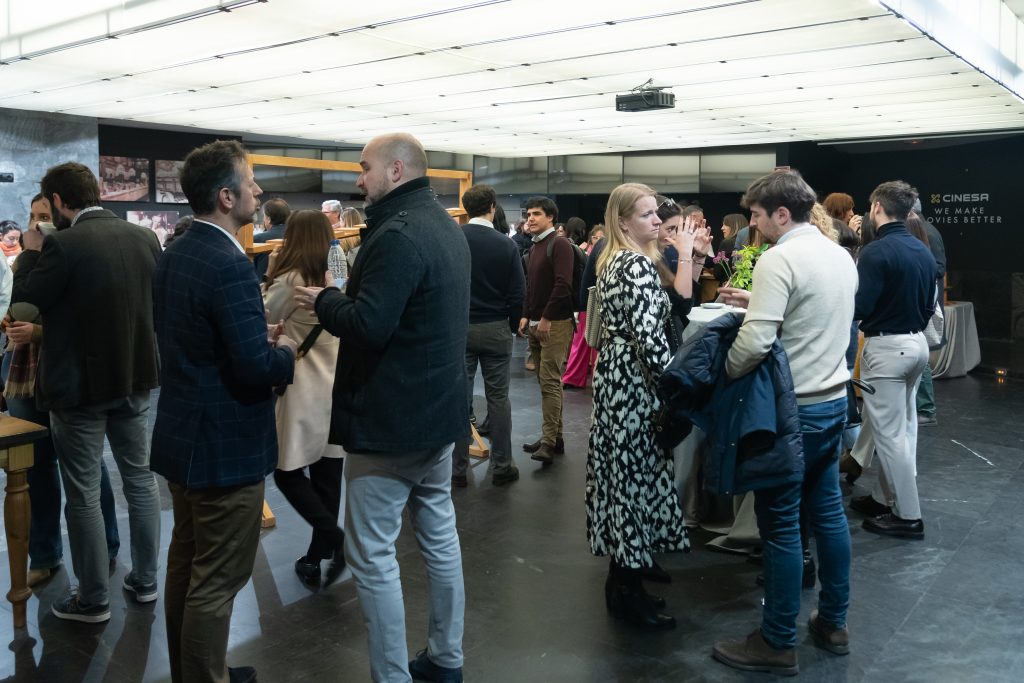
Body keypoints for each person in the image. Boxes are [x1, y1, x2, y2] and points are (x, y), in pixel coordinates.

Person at [295, 132, 469, 683]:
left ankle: (393, 676)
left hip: (390, 421)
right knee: (440, 540)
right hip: (436, 416)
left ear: (396, 170)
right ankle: (446, 659)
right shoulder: (445, 225)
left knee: (373, 558)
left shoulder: (396, 234)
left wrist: (324, 300)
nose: (357, 179)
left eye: (364, 168)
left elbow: (369, 325)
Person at [151, 139, 297, 683]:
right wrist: (280, 354)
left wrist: (251, 339)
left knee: (186, 565)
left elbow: (198, 341)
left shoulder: (178, 251)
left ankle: (197, 670)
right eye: (251, 182)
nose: (259, 192)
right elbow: (255, 369)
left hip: (184, 437)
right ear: (225, 195)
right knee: (217, 577)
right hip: (223, 446)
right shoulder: (229, 264)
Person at [714, 170, 857, 675]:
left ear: (780, 213)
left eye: (755, 215)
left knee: (779, 527)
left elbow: (753, 345)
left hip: (791, 409)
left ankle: (776, 640)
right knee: (829, 516)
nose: (751, 224)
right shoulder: (838, 253)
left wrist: (725, 375)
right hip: (835, 403)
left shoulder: (779, 258)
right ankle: (833, 623)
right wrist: (759, 304)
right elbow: (816, 315)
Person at [11, 162, 162, 624]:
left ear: (57, 202)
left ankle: (93, 598)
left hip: (78, 390)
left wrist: (32, 252)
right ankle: (146, 579)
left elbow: (23, 306)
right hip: (135, 379)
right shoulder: (143, 238)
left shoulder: (61, 243)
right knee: (139, 481)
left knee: (83, 494)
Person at [3, 193, 121, 588]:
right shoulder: (26, 261)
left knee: (87, 469)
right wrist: (15, 326)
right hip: (26, 373)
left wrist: (35, 331)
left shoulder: (75, 258)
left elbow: (86, 325)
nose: (36, 226)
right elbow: (18, 309)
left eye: (44, 217)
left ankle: (105, 546)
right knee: (33, 470)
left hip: (68, 374)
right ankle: (45, 553)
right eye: (33, 217)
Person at [587, 183, 689, 631]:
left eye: (655, 213)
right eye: (646, 214)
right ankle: (625, 588)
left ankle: (625, 578)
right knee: (633, 477)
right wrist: (677, 387)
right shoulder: (634, 265)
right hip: (634, 383)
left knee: (624, 475)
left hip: (618, 377)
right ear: (623, 221)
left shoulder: (617, 259)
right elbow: (651, 341)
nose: (655, 220)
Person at [263, 209, 347, 587]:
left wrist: (269, 273)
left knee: (286, 472)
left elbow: (262, 314)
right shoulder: (335, 277)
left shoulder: (290, 278)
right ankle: (317, 553)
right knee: (328, 474)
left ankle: (333, 539)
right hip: (335, 384)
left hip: (301, 389)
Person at [847, 181, 935, 540]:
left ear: (877, 209)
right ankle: (884, 499)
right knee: (904, 429)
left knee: (891, 435)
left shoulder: (876, 252)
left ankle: (908, 515)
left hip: (888, 348)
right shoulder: (922, 249)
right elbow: (930, 306)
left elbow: (862, 306)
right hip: (917, 345)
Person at [452, 183, 525, 488]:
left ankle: (457, 469)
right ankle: (502, 465)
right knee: (498, 398)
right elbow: (518, 292)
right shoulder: (506, 245)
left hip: (460, 328)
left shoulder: (454, 240)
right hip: (496, 327)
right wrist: (509, 324)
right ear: (492, 206)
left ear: (465, 207)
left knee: (459, 398)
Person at [519, 196, 575, 465]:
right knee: (546, 383)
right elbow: (532, 286)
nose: (530, 218)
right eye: (528, 214)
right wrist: (526, 315)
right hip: (537, 322)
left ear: (550, 217)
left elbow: (563, 285)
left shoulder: (559, 243)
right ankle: (555, 437)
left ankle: (549, 441)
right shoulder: (536, 246)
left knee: (550, 382)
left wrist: (545, 318)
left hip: (556, 323)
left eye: (536, 214)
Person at [910, 198, 946, 427]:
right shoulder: (920, 230)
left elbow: (939, 267)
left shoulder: (928, 232)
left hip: (923, 305)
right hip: (920, 304)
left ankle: (926, 407)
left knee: (920, 357)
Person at [254, 197, 290, 281]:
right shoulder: (299, 237)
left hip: (265, 286)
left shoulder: (257, 239)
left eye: (264, 216)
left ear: (269, 219)